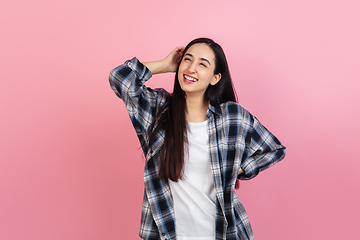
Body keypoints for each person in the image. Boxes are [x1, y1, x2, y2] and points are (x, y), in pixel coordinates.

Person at [109, 38, 286, 240]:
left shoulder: (232, 117)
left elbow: (274, 149)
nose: (191, 68)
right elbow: (119, 78)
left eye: (202, 64)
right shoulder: (158, 110)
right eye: (187, 59)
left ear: (215, 78)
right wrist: (166, 65)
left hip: (223, 233)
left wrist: (239, 168)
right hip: (168, 234)